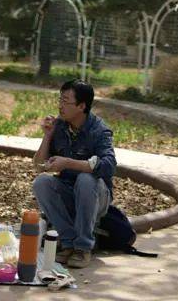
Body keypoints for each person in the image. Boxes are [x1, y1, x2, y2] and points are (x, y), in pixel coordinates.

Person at [32, 78, 115, 269]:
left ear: (81, 106)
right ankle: (68, 242)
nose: (60, 106)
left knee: (86, 179)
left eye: (66, 101)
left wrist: (69, 163)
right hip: (69, 193)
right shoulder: (60, 126)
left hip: (96, 197)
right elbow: (38, 165)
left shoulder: (99, 130)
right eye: (60, 100)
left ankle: (83, 247)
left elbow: (109, 165)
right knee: (41, 183)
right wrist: (47, 135)